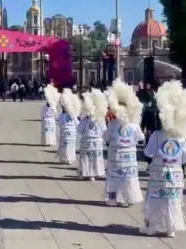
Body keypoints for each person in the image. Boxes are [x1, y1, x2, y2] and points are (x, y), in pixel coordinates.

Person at [140, 80, 186, 237]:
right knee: (172, 201)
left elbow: (148, 153)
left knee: (155, 199)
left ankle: (153, 226)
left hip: (159, 173)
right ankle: (171, 229)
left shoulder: (158, 135)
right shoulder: (182, 137)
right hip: (176, 174)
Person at [103, 78, 145, 207]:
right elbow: (141, 138)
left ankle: (113, 199)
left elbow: (106, 138)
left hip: (116, 156)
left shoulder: (113, 124)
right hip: (129, 157)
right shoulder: (134, 124)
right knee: (128, 178)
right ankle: (129, 198)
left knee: (114, 178)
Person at [77, 89, 108, 181]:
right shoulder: (100, 121)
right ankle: (93, 174)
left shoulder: (85, 120)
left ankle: (84, 173)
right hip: (97, 143)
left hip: (87, 141)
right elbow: (104, 131)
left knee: (85, 159)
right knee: (95, 159)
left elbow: (79, 130)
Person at [56, 88, 81, 164]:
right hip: (72, 133)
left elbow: (59, 123)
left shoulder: (63, 115)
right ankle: (69, 159)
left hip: (65, 132)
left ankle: (64, 158)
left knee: (64, 146)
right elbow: (77, 123)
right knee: (70, 146)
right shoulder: (73, 115)